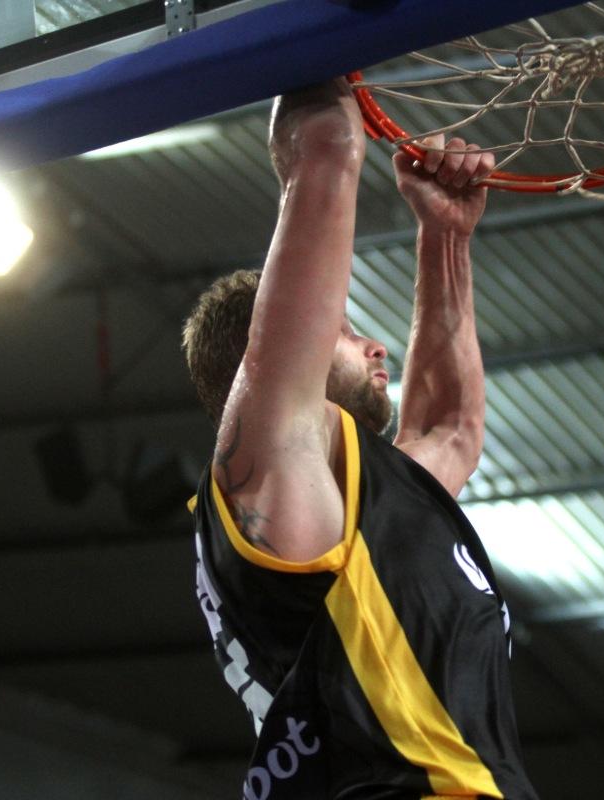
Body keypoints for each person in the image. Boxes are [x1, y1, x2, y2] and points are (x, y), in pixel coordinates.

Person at [182, 78, 539, 800]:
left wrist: (444, 235)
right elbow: (324, 150)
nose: (375, 345)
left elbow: (449, 430)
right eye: (342, 329)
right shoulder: (271, 462)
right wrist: (316, 49)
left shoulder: (338, 508)